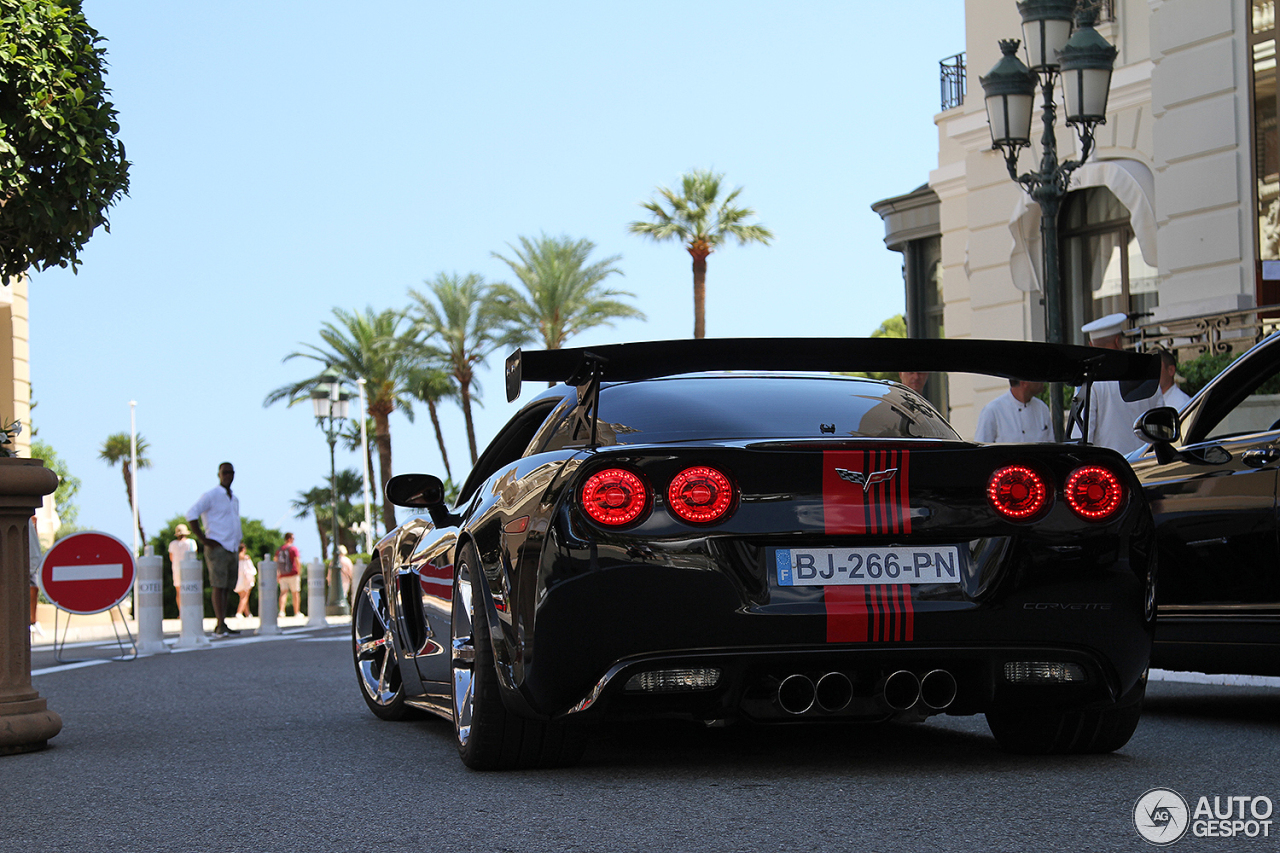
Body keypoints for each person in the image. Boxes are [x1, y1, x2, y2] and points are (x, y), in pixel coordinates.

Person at [1070, 313, 1164, 455]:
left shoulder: (1091, 381)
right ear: (1118, 341)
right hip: (1146, 466)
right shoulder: (1146, 374)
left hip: (1113, 470)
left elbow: (1081, 437)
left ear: (1091, 345)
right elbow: (1161, 427)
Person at [187, 462, 243, 638]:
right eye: (224, 472)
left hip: (232, 546)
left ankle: (223, 622)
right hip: (218, 545)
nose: (228, 475)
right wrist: (204, 539)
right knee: (218, 585)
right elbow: (191, 514)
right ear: (219, 474)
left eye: (231, 472)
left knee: (227, 586)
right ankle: (220, 623)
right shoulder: (211, 495)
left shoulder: (233, 498)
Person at [974, 379, 1052, 443]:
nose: (1043, 381)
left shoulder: (1042, 408)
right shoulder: (993, 410)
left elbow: (1050, 444)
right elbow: (981, 449)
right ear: (1024, 382)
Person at [168, 522, 198, 613]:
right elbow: (194, 555)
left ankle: (181, 612)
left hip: (177, 569)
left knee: (179, 591)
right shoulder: (191, 542)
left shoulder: (172, 544)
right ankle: (190, 610)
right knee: (191, 589)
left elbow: (171, 558)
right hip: (189, 569)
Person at [276, 532, 301, 618]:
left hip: (283, 574)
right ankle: (296, 612)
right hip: (293, 573)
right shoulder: (293, 549)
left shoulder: (280, 549)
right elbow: (297, 561)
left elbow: (276, 561)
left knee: (283, 592)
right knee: (295, 593)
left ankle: (282, 611)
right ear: (290, 539)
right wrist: (299, 571)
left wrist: (277, 574)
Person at [234, 542, 256, 619]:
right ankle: (239, 612)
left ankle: (247, 613)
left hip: (237, 579)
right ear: (243, 549)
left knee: (243, 596)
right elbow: (249, 569)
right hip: (245, 578)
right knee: (245, 596)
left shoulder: (235, 558)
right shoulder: (246, 558)